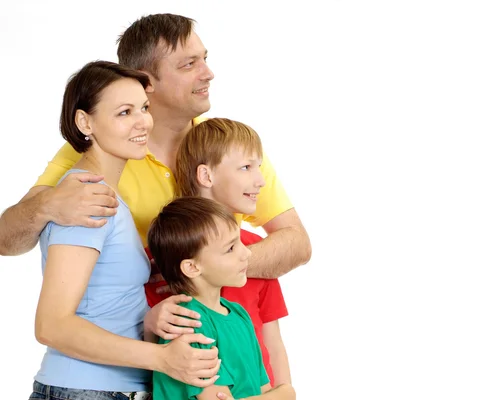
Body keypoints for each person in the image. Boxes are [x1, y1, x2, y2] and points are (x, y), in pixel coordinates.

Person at [0, 13, 311, 285]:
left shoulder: (230, 144)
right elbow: (6, 239)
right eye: (189, 64)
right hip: (135, 338)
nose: (208, 73)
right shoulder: (96, 148)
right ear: (146, 82)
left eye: (205, 58)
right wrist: (46, 206)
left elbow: (296, 242)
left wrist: (204, 269)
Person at [29, 60, 220, 400]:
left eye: (144, 108)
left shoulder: (103, 193)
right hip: (86, 389)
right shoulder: (89, 198)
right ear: (85, 121)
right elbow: (52, 325)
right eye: (123, 112)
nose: (143, 122)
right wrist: (162, 358)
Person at [173, 117, 291, 386]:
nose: (261, 181)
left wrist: (284, 392)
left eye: (258, 167)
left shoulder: (257, 250)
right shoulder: (170, 251)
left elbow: (273, 344)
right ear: (206, 176)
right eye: (246, 167)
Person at [147, 196, 296, 400]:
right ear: (192, 267)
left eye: (240, 243)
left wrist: (284, 393)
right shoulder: (186, 322)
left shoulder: (239, 315)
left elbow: (264, 389)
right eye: (231, 248)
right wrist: (286, 393)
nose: (246, 254)